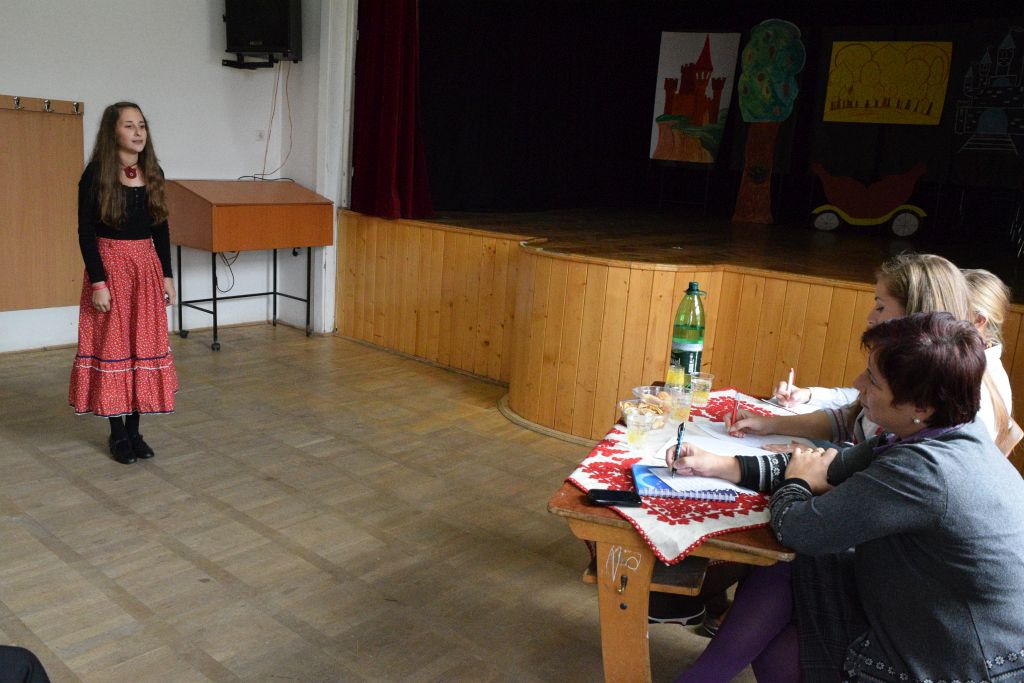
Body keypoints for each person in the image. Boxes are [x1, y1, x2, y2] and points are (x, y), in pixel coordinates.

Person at [667, 312, 1024, 682]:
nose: (858, 385)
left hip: (958, 663)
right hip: (933, 615)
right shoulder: (950, 431)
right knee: (787, 581)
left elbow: (798, 528)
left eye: (872, 380)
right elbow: (827, 466)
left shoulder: (924, 471)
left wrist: (797, 484)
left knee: (788, 594)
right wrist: (719, 465)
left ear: (921, 407)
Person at [735, 253, 1012, 446]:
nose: (870, 317)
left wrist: (821, 456)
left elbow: (892, 468)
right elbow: (852, 419)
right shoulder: (918, 365)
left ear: (914, 311)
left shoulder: (958, 394)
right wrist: (768, 424)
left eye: (880, 306)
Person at [68, 102, 178, 464]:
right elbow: (86, 231)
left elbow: (160, 226)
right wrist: (98, 282)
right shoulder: (96, 174)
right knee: (114, 349)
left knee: (141, 347)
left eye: (141, 125)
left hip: (145, 269)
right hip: (111, 268)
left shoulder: (153, 171)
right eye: (129, 125)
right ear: (112, 131)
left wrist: (167, 274)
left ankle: (135, 431)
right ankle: (117, 434)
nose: (138, 132)